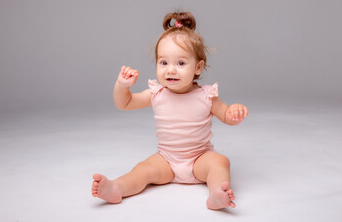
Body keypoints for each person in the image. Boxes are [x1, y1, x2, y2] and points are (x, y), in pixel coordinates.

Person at [91, 11, 248, 210]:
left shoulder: (207, 95)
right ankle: (117, 188)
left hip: (199, 158)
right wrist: (122, 86)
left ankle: (217, 193)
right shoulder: (157, 93)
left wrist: (234, 112)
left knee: (220, 162)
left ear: (198, 67)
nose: (170, 70)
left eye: (181, 63)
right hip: (166, 160)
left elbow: (226, 114)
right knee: (143, 169)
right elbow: (125, 103)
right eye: (163, 62)